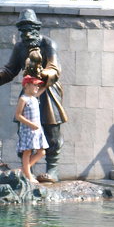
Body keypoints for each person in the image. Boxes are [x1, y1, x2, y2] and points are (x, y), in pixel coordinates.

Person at [0, 10, 66, 183]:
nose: (26, 34)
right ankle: (28, 171)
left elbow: (54, 68)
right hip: (28, 91)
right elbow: (10, 70)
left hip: (47, 89)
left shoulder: (48, 44)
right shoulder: (20, 46)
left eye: (30, 29)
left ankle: (52, 169)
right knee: (25, 132)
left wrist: (40, 73)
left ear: (37, 28)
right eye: (22, 31)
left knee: (51, 130)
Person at [15, 73, 49, 184]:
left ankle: (24, 169)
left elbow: (44, 87)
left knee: (42, 152)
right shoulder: (23, 99)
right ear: (27, 86)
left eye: (37, 86)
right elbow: (18, 115)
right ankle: (28, 175)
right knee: (27, 152)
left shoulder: (34, 97)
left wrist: (48, 81)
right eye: (35, 85)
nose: (37, 87)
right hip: (28, 130)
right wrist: (30, 124)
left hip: (37, 131)